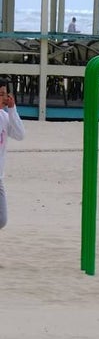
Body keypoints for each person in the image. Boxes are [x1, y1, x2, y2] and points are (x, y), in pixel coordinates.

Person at [0, 79, 27, 230]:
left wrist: (12, 110)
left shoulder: (4, 116)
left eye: (6, 94)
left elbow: (20, 134)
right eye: (1, 94)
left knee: (2, 219)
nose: (5, 98)